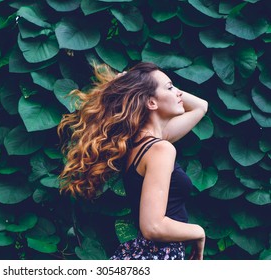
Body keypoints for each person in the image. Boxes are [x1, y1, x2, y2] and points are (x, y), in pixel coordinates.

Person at [57, 61, 208, 260]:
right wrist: (198, 232)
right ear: (151, 103)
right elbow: (153, 226)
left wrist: (138, 80)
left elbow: (201, 106)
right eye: (171, 87)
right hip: (159, 255)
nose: (179, 93)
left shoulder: (141, 144)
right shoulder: (159, 148)